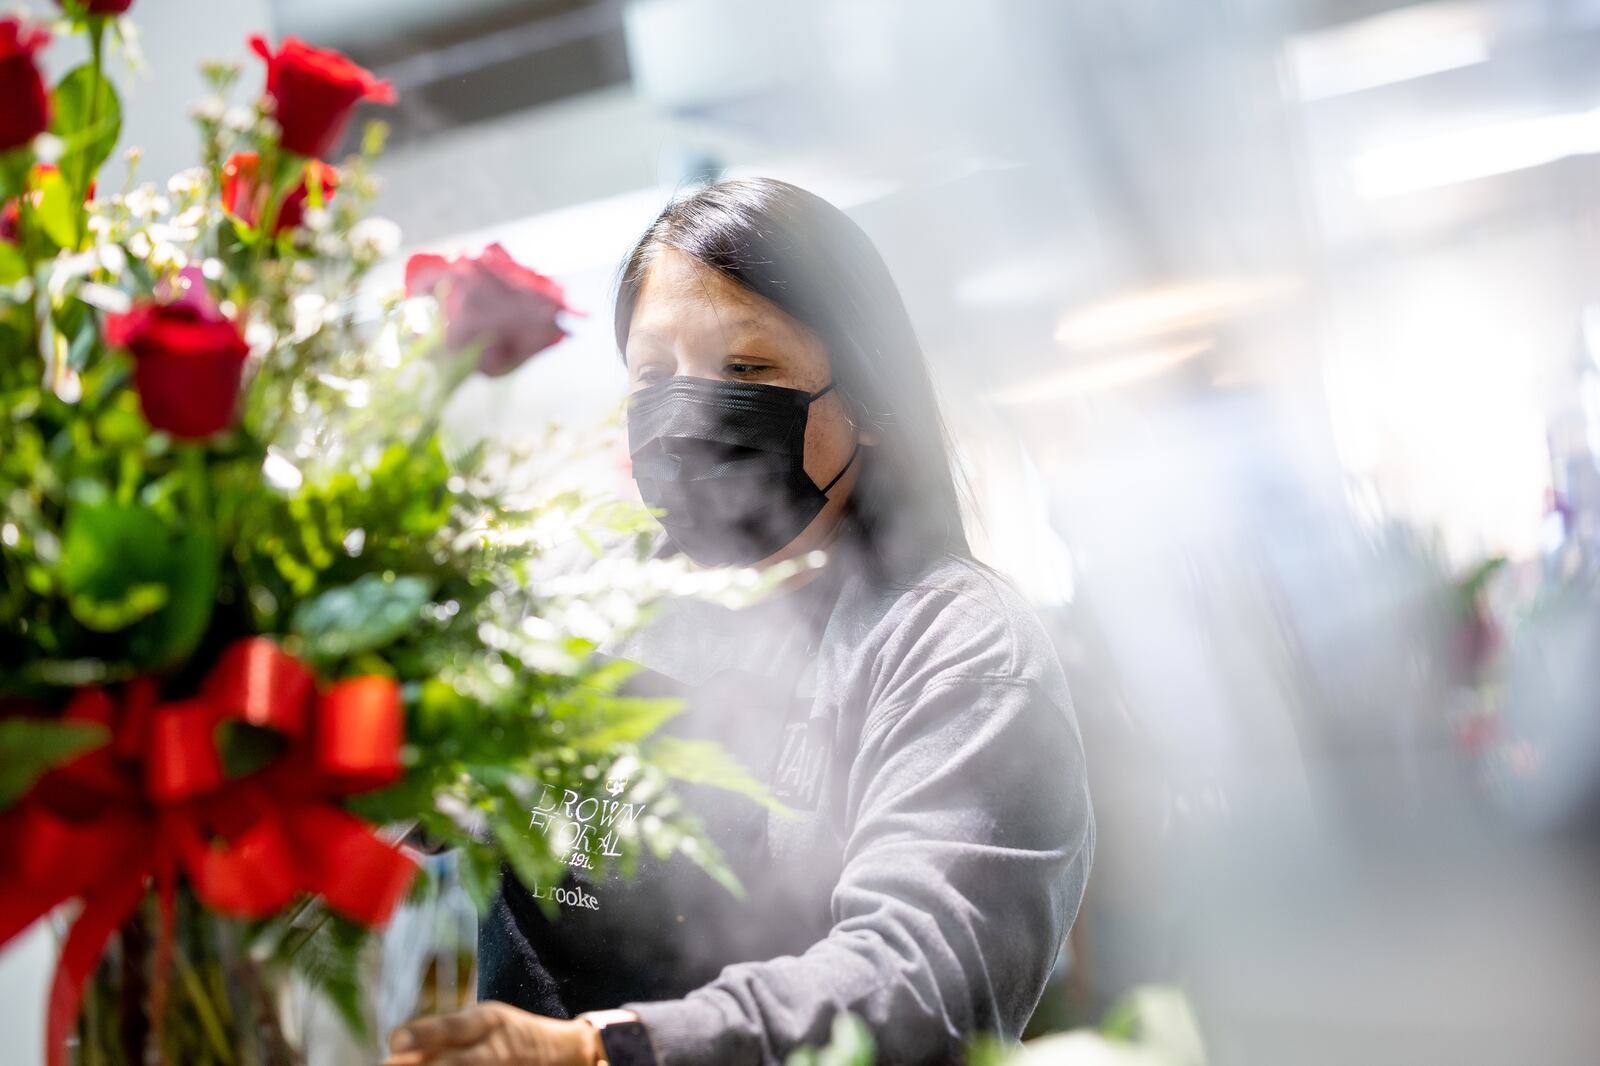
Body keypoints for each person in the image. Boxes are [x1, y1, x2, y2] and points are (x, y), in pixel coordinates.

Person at [382, 178, 1094, 1066]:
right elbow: (377, 799)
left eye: (747, 369)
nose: (688, 410)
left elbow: (922, 979)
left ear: (868, 400)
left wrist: (599, 1051)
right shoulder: (571, 621)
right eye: (654, 375)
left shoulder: (952, 647)